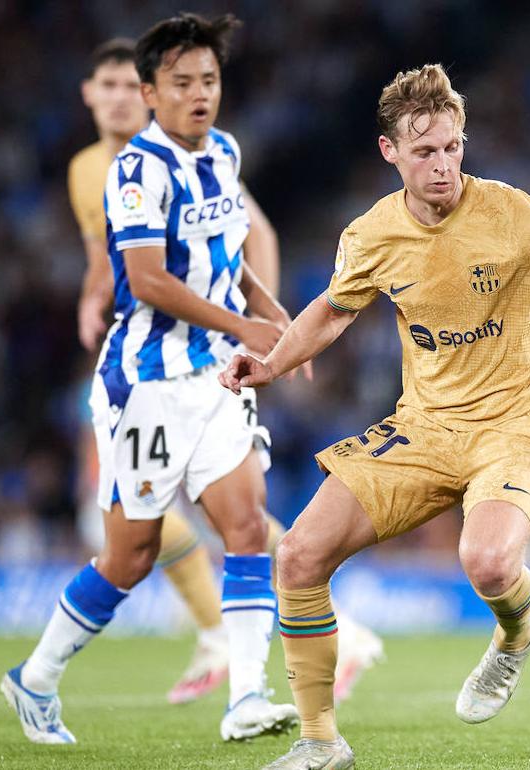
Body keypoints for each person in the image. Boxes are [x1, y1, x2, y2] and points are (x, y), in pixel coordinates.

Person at [217, 64, 530, 769]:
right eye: (425, 151)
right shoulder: (371, 234)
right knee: (298, 556)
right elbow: (333, 311)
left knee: (486, 562)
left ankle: (515, 633)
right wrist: (273, 364)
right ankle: (320, 741)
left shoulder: (514, 215)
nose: (443, 165)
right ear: (390, 152)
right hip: (424, 428)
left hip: (521, 427)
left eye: (453, 147)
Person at [2, 13, 301, 744]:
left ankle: (247, 696)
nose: (200, 94)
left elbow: (228, 256)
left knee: (246, 527)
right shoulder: (136, 171)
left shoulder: (224, 151)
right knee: (129, 557)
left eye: (210, 80)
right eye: (182, 82)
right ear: (149, 93)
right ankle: (35, 677)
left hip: (214, 379)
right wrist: (244, 327)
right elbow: (147, 280)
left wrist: (274, 314)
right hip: (145, 385)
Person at [66, 38, 383, 707]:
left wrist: (260, 331)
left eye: (129, 86)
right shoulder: (90, 169)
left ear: (148, 94)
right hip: (143, 346)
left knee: (209, 511)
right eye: (108, 86)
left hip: (202, 352)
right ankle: (249, 633)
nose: (120, 99)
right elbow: (112, 260)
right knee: (177, 509)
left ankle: (238, 633)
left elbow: (251, 235)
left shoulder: (192, 156)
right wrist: (93, 296)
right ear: (90, 94)